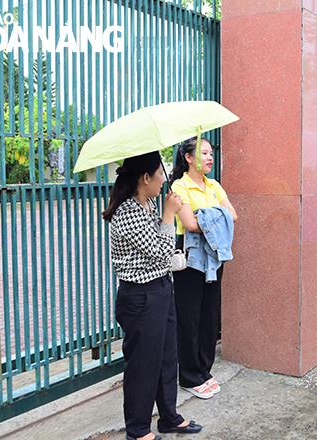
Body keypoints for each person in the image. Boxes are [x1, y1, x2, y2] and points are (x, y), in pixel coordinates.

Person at [102, 152, 202, 440]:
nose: (164, 179)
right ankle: (138, 429)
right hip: (140, 297)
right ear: (145, 178)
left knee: (167, 358)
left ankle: (169, 416)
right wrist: (169, 215)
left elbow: (160, 250)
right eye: (160, 173)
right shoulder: (128, 212)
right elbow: (160, 252)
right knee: (143, 365)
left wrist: (164, 215)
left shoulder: (145, 204)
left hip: (160, 289)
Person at [170, 137, 238, 399]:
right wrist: (215, 214)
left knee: (210, 314)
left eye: (211, 153)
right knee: (189, 315)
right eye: (204, 153)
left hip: (215, 253)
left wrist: (206, 215)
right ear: (188, 157)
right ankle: (188, 375)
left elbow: (233, 214)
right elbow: (189, 224)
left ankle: (204, 371)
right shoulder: (180, 185)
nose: (210, 157)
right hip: (190, 255)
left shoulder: (214, 185)